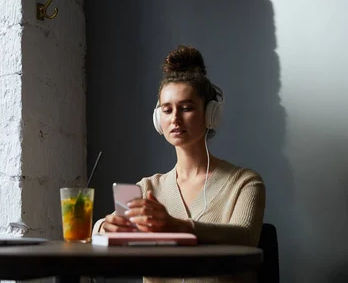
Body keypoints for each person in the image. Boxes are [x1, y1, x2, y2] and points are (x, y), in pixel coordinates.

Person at [93, 45, 266, 283]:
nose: (174, 118)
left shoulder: (245, 182)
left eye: (186, 108)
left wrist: (178, 226)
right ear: (158, 120)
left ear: (210, 114)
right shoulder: (147, 188)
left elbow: (246, 237)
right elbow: (98, 231)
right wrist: (105, 228)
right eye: (167, 110)